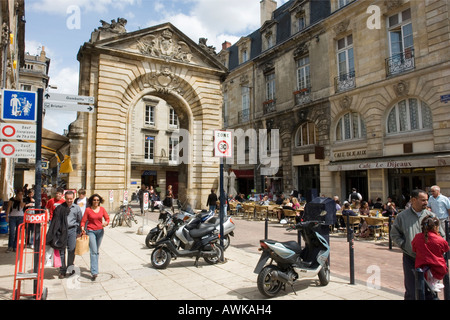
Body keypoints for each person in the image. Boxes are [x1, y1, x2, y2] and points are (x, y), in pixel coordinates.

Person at [390, 189, 442, 300]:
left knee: (430, 291)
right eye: (423, 200)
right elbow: (394, 234)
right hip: (411, 258)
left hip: (429, 260)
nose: (426, 203)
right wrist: (404, 245)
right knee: (412, 290)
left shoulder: (431, 216)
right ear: (413, 200)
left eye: (427, 200)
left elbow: (441, 235)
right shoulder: (402, 217)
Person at [49, 190, 82, 278]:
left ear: (73, 198)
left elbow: (80, 220)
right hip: (62, 231)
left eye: (71, 199)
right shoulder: (60, 207)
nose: (69, 200)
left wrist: (79, 231)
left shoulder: (77, 208)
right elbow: (55, 221)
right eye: (67, 199)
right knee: (61, 250)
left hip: (72, 231)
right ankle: (62, 270)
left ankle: (70, 268)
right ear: (65, 198)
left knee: (71, 250)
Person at [412, 216, 449, 293]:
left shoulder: (417, 237)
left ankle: (432, 284)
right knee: (432, 295)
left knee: (421, 293)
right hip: (437, 267)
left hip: (421, 267)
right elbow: (446, 249)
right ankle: (433, 284)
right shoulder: (439, 239)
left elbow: (414, 249)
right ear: (436, 227)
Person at [81, 194, 110, 281]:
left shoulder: (102, 209)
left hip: (100, 231)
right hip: (91, 231)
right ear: (91, 201)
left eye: (97, 200)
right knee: (93, 251)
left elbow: (107, 218)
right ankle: (94, 272)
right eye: (94, 200)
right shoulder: (88, 210)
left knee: (96, 251)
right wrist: (82, 228)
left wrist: (106, 223)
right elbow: (83, 221)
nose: (96, 201)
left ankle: (94, 267)